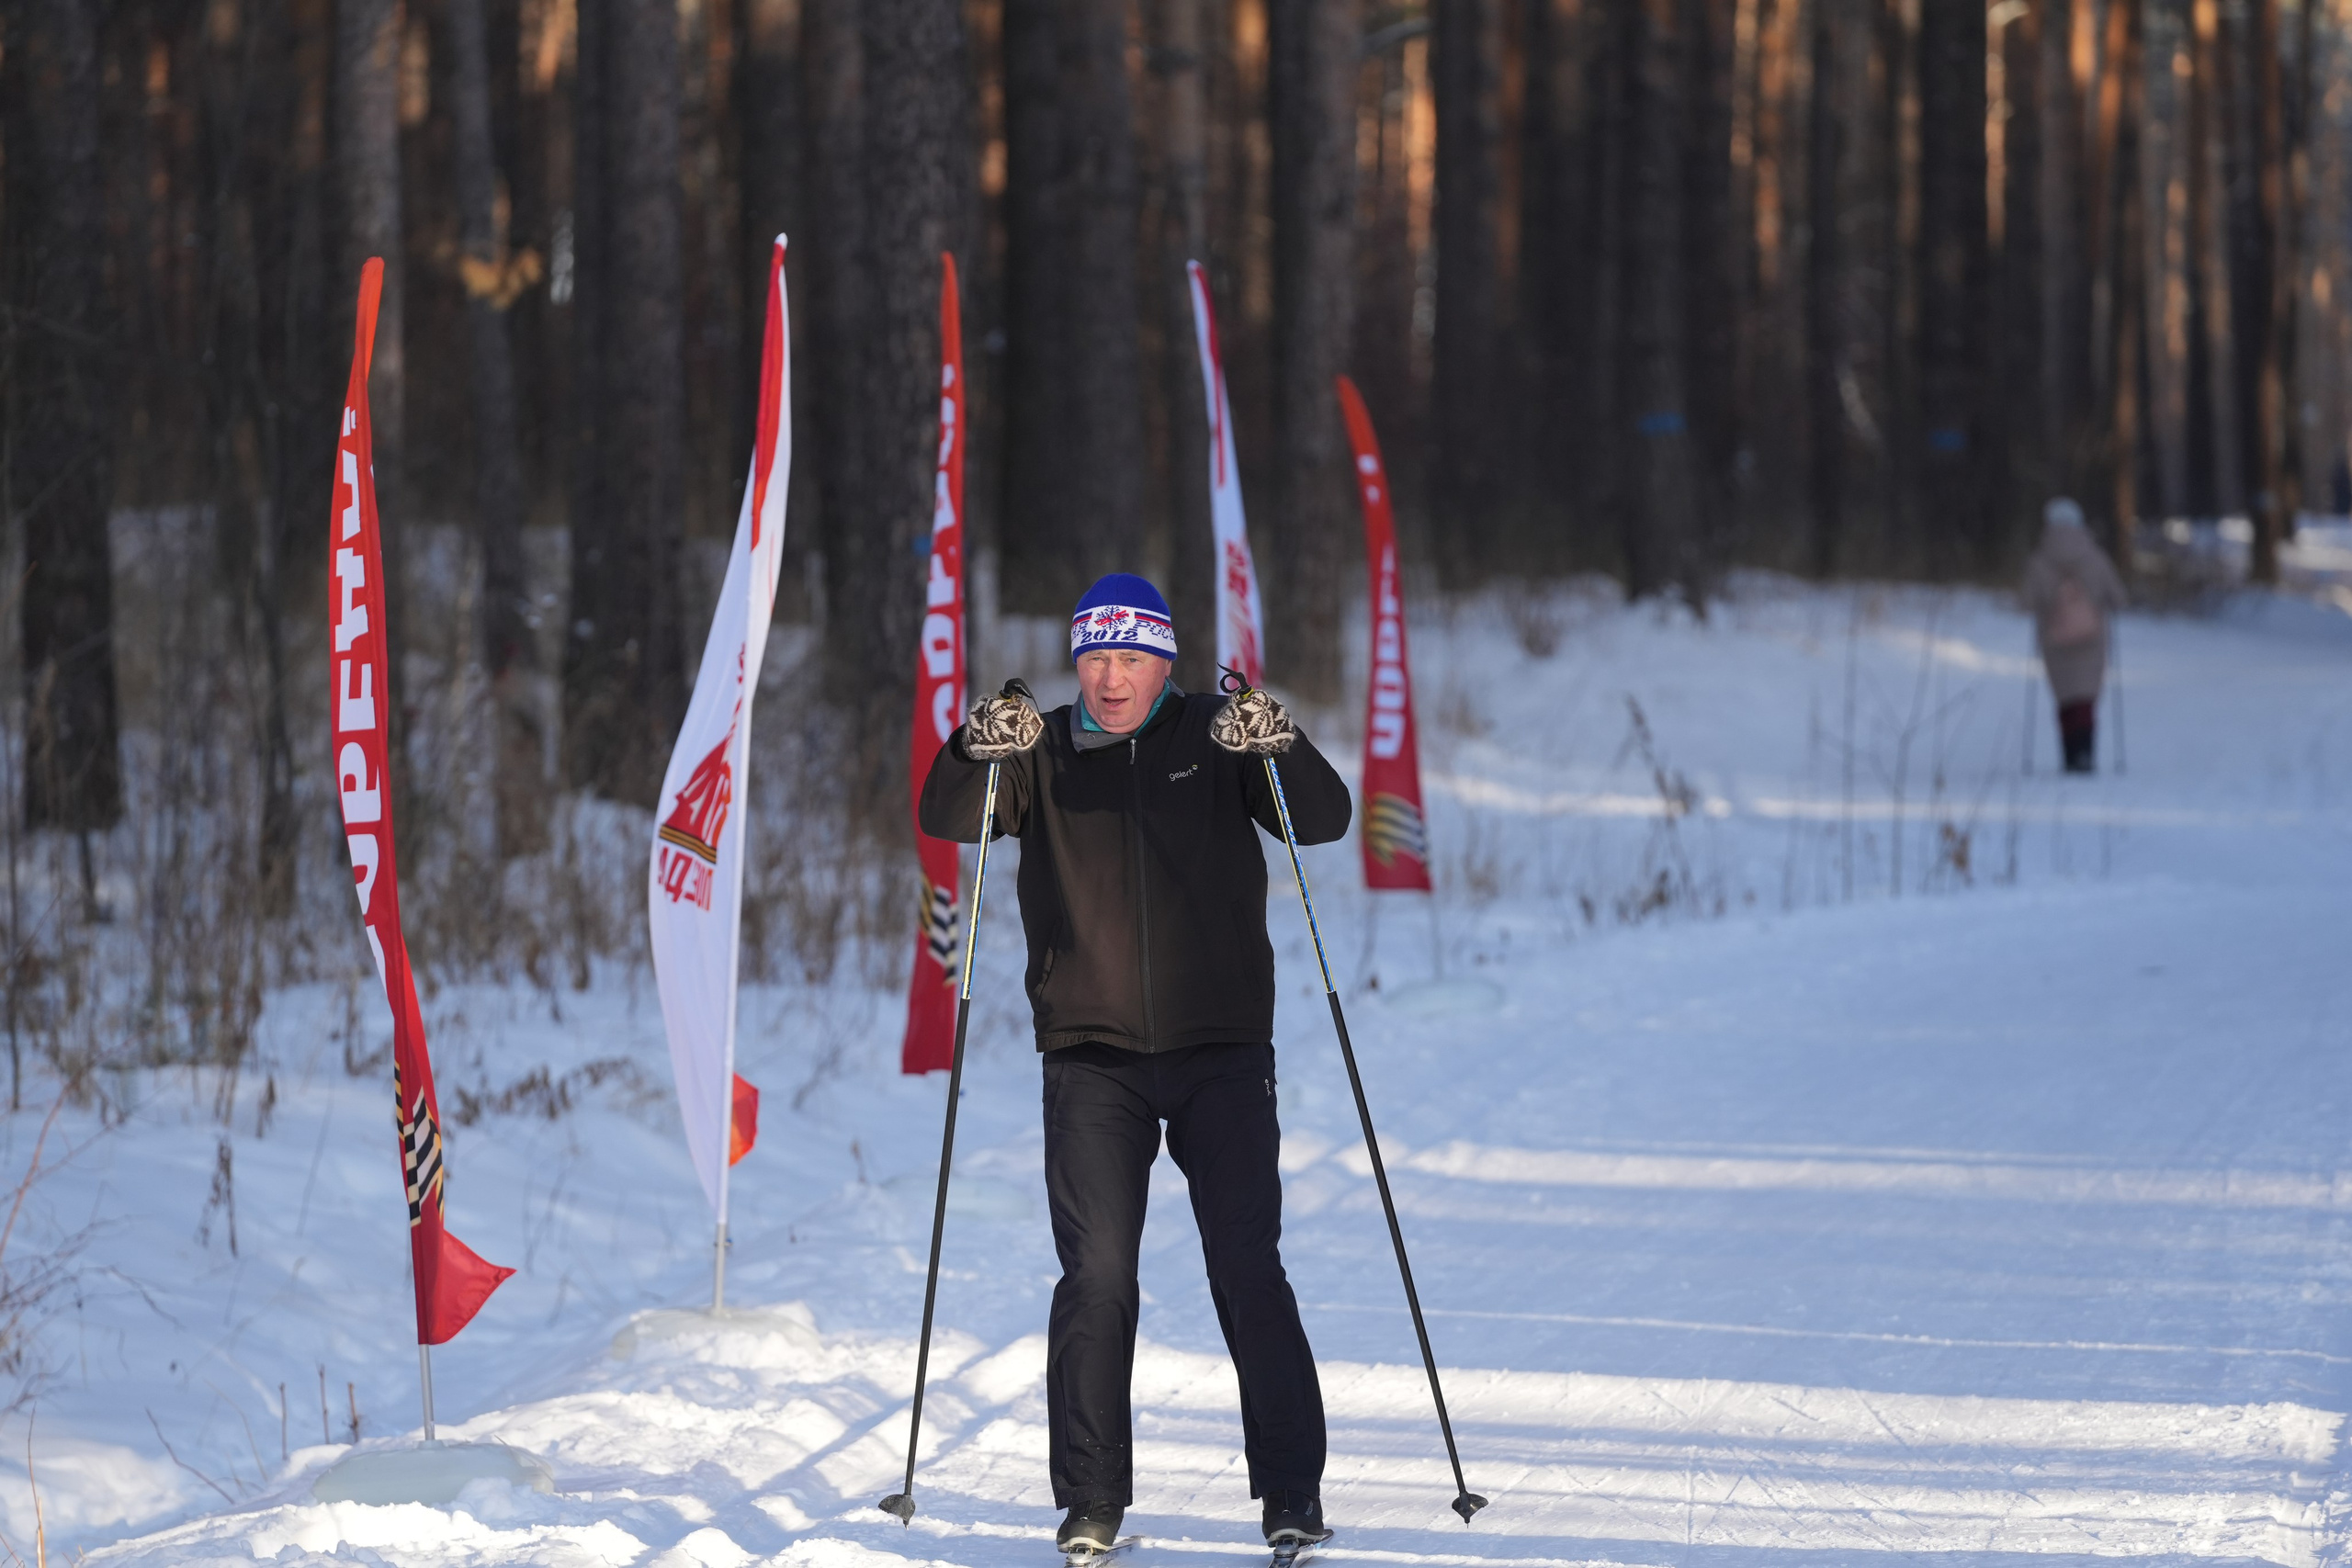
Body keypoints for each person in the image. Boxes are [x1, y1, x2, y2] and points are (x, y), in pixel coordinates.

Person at [919, 573, 1351, 1559]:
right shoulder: (1046, 749)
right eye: (1094, 658)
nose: (1110, 679)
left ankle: (1291, 1490)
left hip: (1222, 1054)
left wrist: (1276, 736)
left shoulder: (1214, 734)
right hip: (1091, 1059)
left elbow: (1318, 819)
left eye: (1130, 658)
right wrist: (969, 746)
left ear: (1164, 661)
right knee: (1097, 1275)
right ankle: (1091, 1500)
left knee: (1247, 1266)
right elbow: (952, 818)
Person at [2022, 497, 2127, 774]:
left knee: (2065, 698)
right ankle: (2085, 754)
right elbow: (2118, 596)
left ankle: (2069, 756)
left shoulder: (2039, 561)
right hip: (2092, 640)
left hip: (2054, 641)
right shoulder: (2095, 557)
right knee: (2085, 698)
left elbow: (2026, 601)